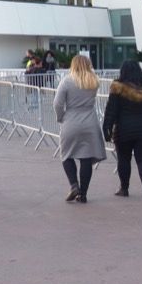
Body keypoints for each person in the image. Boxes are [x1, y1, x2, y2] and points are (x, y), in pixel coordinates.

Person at [102, 60, 142, 202]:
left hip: (124, 130)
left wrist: (107, 128)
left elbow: (111, 110)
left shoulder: (118, 87)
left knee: (124, 159)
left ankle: (124, 188)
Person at [53, 55, 106, 203]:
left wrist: (60, 117)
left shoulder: (67, 81)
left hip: (71, 121)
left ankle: (74, 184)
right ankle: (83, 194)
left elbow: (57, 103)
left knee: (66, 155)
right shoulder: (93, 81)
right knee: (86, 158)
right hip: (90, 122)